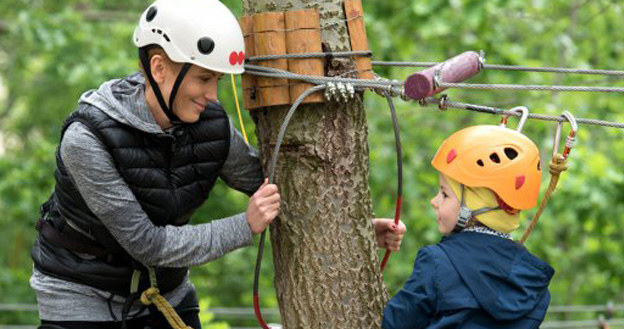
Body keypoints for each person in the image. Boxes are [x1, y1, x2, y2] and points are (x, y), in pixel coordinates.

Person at [30, 0, 406, 328]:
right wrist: (244, 226)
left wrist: (350, 230)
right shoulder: (87, 140)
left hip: (166, 290)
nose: (212, 96)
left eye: (218, 81)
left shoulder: (211, 125)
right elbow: (148, 244)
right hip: (80, 295)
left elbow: (269, 187)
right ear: (158, 68)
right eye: (204, 78)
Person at [382, 125, 555, 329]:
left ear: (474, 206)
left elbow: (394, 324)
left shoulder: (438, 263)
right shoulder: (533, 283)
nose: (434, 201)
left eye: (444, 194)